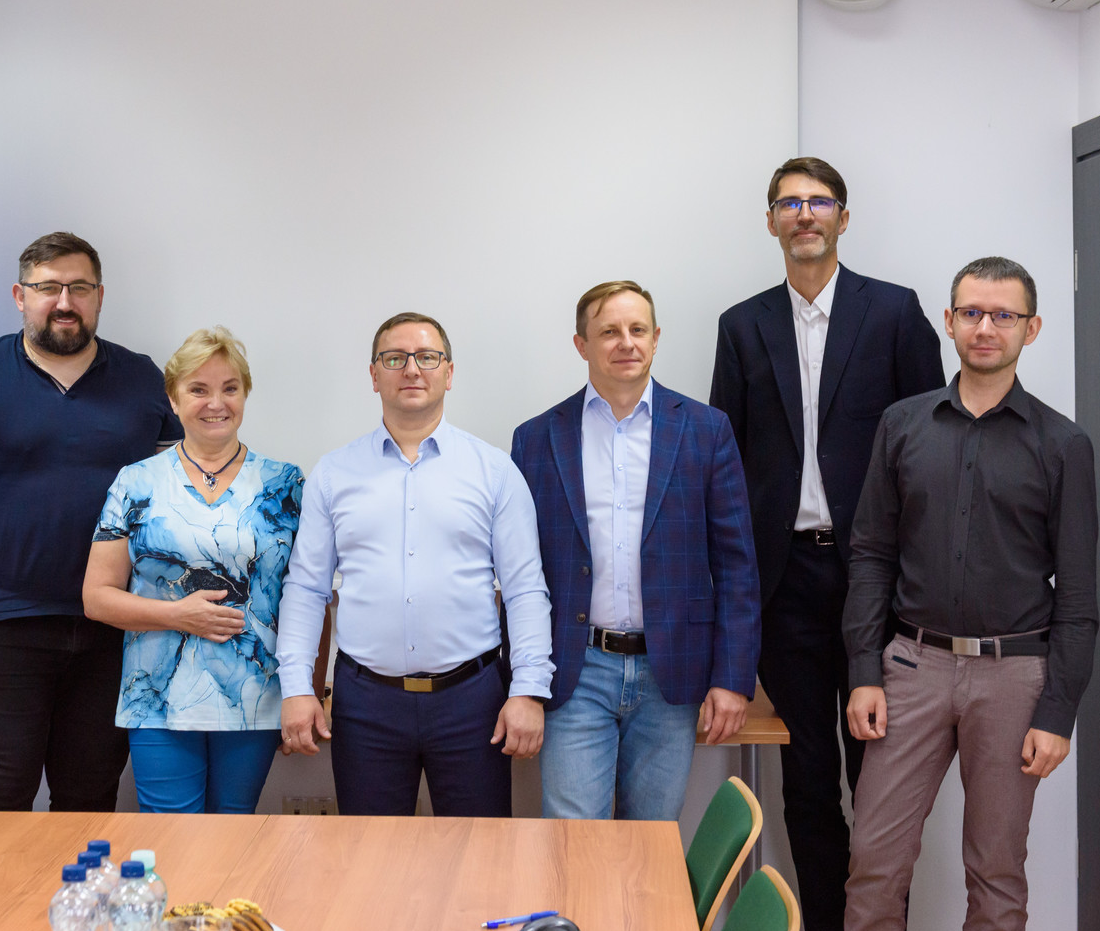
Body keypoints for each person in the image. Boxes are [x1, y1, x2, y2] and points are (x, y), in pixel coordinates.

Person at [710, 157, 944, 931]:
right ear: (770, 221)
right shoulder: (742, 325)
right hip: (785, 587)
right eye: (789, 203)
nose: (804, 214)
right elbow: (726, 462)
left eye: (819, 202)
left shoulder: (895, 312)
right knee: (807, 786)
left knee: (880, 787)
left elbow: (931, 447)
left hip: (876, 583)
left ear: (844, 217)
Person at [842, 256, 1098, 931]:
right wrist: (864, 671)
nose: (986, 328)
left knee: (996, 873)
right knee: (874, 863)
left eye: (1003, 315)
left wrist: (1058, 713)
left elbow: (1078, 597)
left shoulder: (1063, 444)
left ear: (1030, 329)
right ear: (950, 322)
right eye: (972, 313)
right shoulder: (902, 424)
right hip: (911, 668)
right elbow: (871, 554)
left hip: (1014, 677)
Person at [0, 232, 182, 811]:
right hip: (0, 628)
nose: (64, 302)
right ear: (20, 296)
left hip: (112, 630)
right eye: (48, 288)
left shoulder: (143, 380)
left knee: (89, 798)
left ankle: (77, 882)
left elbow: (179, 500)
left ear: (100, 296)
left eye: (79, 288)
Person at [274, 312, 553, 817]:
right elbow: (306, 589)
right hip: (367, 704)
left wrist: (529, 690)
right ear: (373, 374)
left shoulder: (494, 471)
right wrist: (296, 688)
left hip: (472, 701)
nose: (411, 369)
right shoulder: (334, 473)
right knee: (369, 854)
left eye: (427, 357)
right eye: (394, 358)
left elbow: (525, 590)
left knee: (478, 853)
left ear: (449, 372)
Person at [512, 281, 759, 821]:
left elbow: (737, 567)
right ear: (581, 344)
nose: (626, 342)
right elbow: (521, 573)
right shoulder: (537, 439)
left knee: (651, 841)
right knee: (573, 840)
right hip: (576, 670)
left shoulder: (706, 430)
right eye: (609, 331)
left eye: (637, 329)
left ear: (656, 338)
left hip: (672, 672)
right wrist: (523, 681)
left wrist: (732, 678)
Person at [81, 327, 303, 814]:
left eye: (230, 388)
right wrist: (177, 615)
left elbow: (305, 597)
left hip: (254, 694)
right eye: (198, 389)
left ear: (245, 395)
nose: (215, 403)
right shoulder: (136, 481)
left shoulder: (284, 483)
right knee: (172, 837)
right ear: (173, 398)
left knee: (235, 832)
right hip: (156, 695)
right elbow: (96, 598)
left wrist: (304, 693)